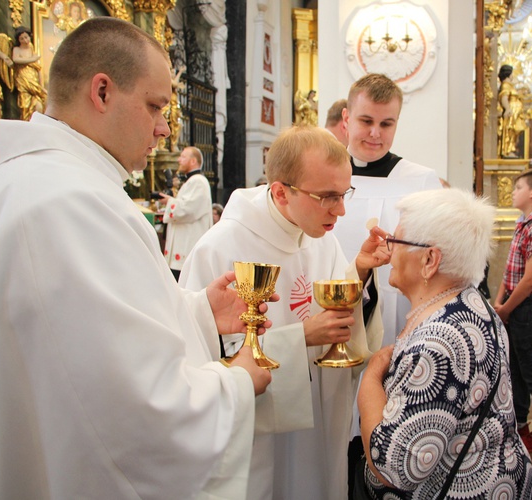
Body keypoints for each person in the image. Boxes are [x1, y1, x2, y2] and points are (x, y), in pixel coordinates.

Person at [0, 18, 275, 499]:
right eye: (155, 106)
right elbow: (132, 411)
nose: (164, 128)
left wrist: (200, 312)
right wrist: (239, 384)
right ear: (102, 92)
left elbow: (82, 336)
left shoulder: (41, 183)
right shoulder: (67, 203)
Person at [179, 126, 386, 500]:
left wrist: (359, 273)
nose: (340, 210)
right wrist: (302, 337)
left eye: (344, 194)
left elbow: (342, 329)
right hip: (262, 442)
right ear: (280, 192)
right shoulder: (220, 248)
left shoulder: (324, 239)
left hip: (318, 426)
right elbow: (198, 359)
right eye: (327, 197)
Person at [357, 188, 532, 499]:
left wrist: (371, 379)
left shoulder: (439, 341)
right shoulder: (469, 302)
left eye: (396, 241)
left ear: (429, 260)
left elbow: (393, 468)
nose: (388, 249)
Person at [335, 72, 442, 347]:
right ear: (346, 119)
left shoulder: (421, 181)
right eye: (366, 121)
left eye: (386, 124)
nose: (375, 133)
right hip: (333, 316)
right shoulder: (323, 176)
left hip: (399, 322)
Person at [494, 168, 532, 453]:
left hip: (529, 309)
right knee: (516, 369)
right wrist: (499, 302)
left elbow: (530, 279)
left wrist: (506, 309)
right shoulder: (523, 223)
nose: (513, 191)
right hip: (515, 306)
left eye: (518, 187)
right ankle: (519, 422)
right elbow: (511, 272)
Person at [159, 146, 212, 280]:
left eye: (183, 157)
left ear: (193, 161)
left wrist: (170, 202)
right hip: (182, 248)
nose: (179, 159)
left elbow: (187, 210)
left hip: (187, 247)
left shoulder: (198, 182)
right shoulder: (191, 181)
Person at [12, 27, 47, 121]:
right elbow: (15, 60)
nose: (25, 40)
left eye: (26, 37)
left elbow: (38, 68)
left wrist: (41, 85)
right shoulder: (17, 49)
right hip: (23, 81)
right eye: (22, 38)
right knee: (26, 106)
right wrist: (32, 59)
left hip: (34, 82)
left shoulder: (31, 48)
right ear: (18, 40)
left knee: (39, 106)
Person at [497, 64, 526, 159]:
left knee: (515, 130)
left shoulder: (509, 86)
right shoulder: (505, 85)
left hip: (515, 113)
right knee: (510, 130)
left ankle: (511, 149)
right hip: (511, 113)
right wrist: (508, 109)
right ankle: (507, 150)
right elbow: (504, 97)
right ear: (509, 74)